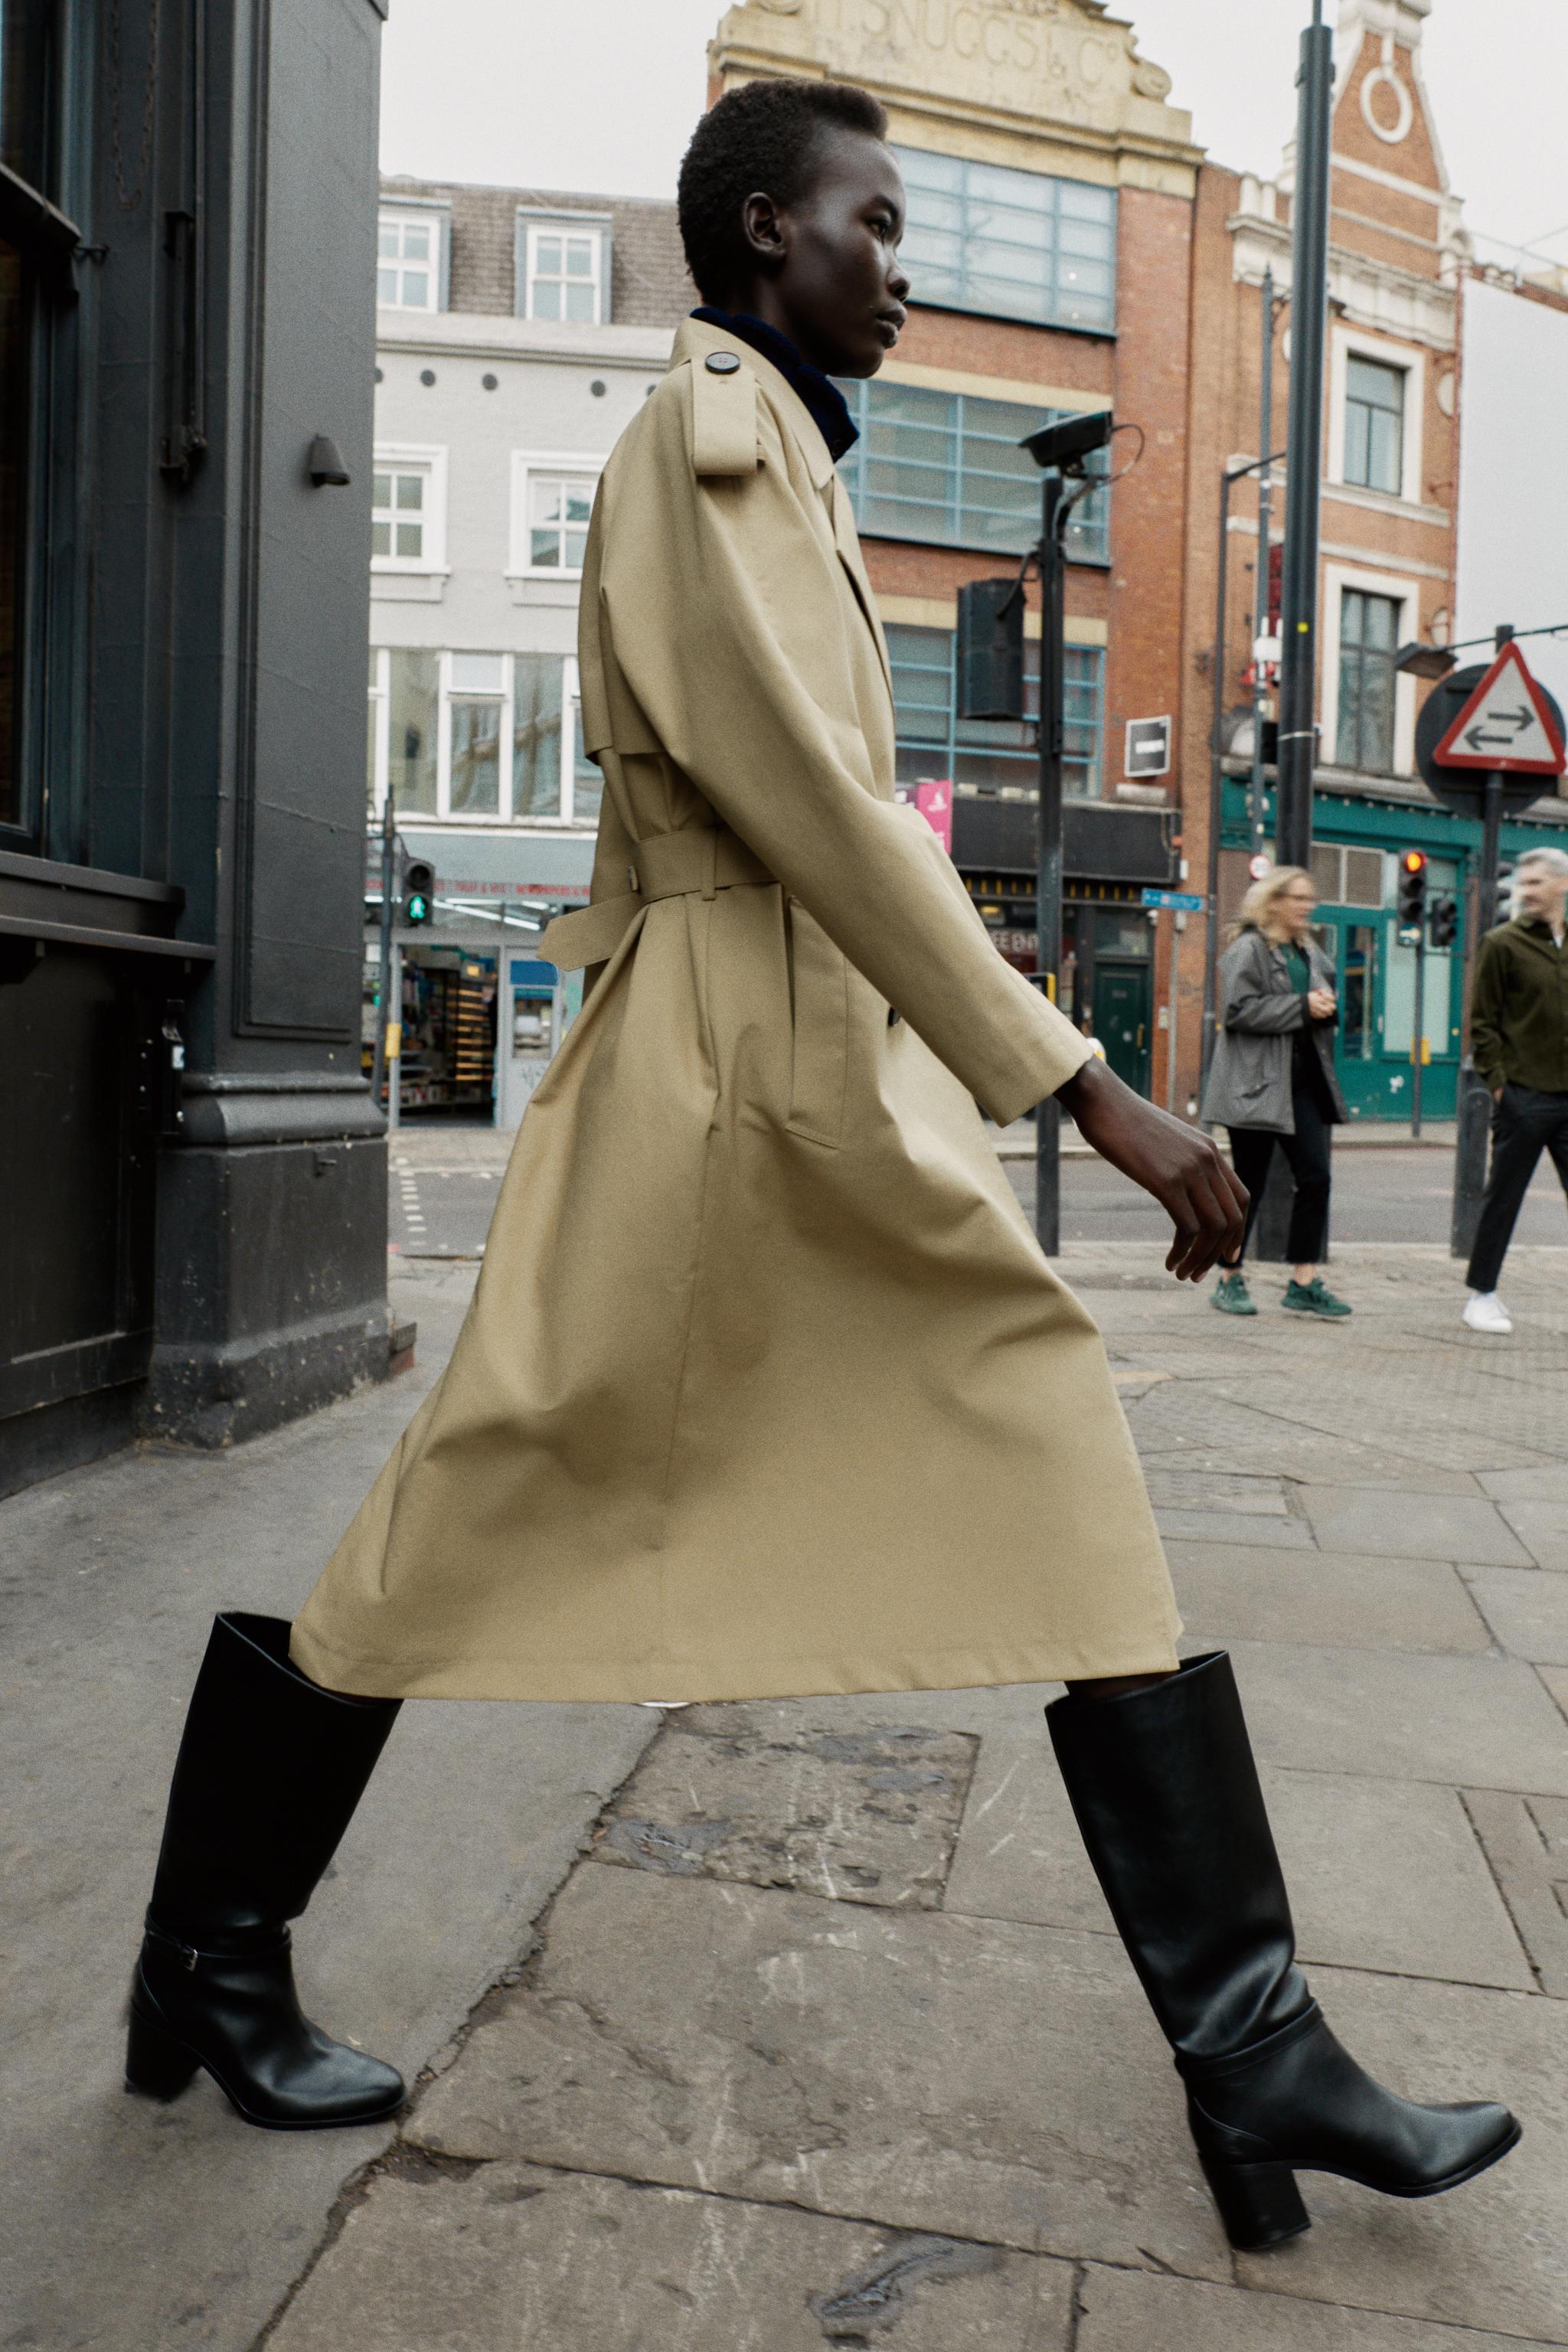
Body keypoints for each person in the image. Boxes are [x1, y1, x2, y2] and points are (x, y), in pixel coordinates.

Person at [124, 79, 1517, 2254]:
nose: (903, 269)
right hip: (720, 1072)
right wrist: (1089, 1085)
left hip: (787, 1065)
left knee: (1028, 1434)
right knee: (478, 1499)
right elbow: (822, 805)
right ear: (767, 230)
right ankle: (211, 1961)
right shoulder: (709, 448)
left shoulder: (769, 446)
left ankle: (1253, 2050)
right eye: (875, 223)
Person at [1200, 866, 1352, 1318]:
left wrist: (1325, 1006)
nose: (1307, 906)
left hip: (1303, 1083)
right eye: (1298, 898)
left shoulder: (1310, 951)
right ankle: (1229, 1277)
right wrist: (1302, 1006)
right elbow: (1238, 1010)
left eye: (1309, 898)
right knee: (1249, 1186)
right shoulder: (1248, 949)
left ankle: (1303, 1281)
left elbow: (1321, 1001)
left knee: (1316, 1178)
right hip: (1256, 1084)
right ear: (1273, 902)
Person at [1462, 844, 1568, 1333]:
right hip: (1523, 1095)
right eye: (1522, 884)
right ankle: (1481, 1296)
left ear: (1562, 884)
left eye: (1535, 882)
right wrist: (1501, 1085)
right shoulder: (1502, 943)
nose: (1526, 892)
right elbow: (1483, 1023)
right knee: (1503, 1199)